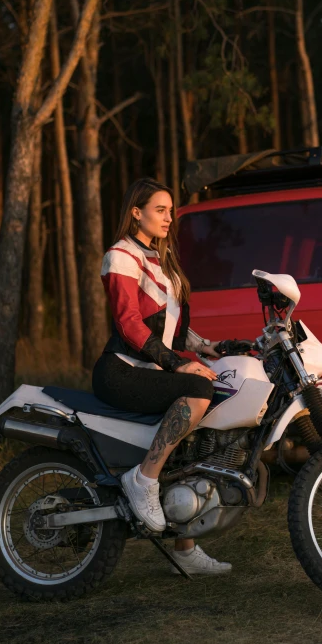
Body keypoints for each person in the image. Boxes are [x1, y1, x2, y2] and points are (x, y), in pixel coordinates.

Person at [92, 178, 232, 575]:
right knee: (198, 388)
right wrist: (178, 364)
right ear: (136, 212)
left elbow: (167, 325)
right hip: (120, 371)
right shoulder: (121, 255)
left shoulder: (159, 258)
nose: (169, 217)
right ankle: (142, 479)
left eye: (170, 210)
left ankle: (183, 548)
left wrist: (207, 346)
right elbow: (129, 323)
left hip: (149, 367)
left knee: (190, 435)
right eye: (160, 209)